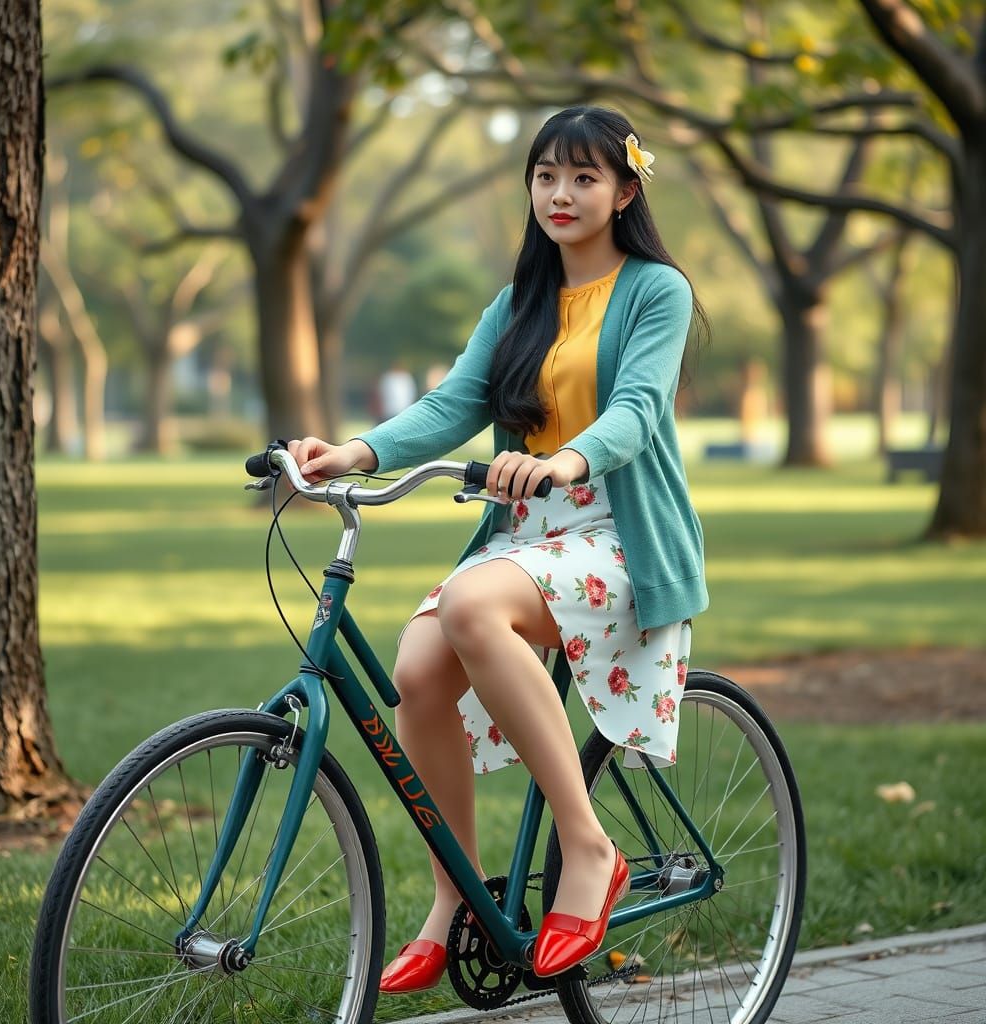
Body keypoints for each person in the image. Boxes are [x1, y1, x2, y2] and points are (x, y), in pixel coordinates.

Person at [288, 105, 709, 992]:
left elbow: (637, 410)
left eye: (585, 177)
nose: (561, 193)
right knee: (416, 669)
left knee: (473, 605)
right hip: (530, 535)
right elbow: (452, 405)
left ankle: (589, 848)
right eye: (546, 175)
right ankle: (458, 897)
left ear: (624, 192)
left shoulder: (656, 291)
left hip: (621, 532)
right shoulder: (517, 303)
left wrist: (563, 460)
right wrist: (353, 452)